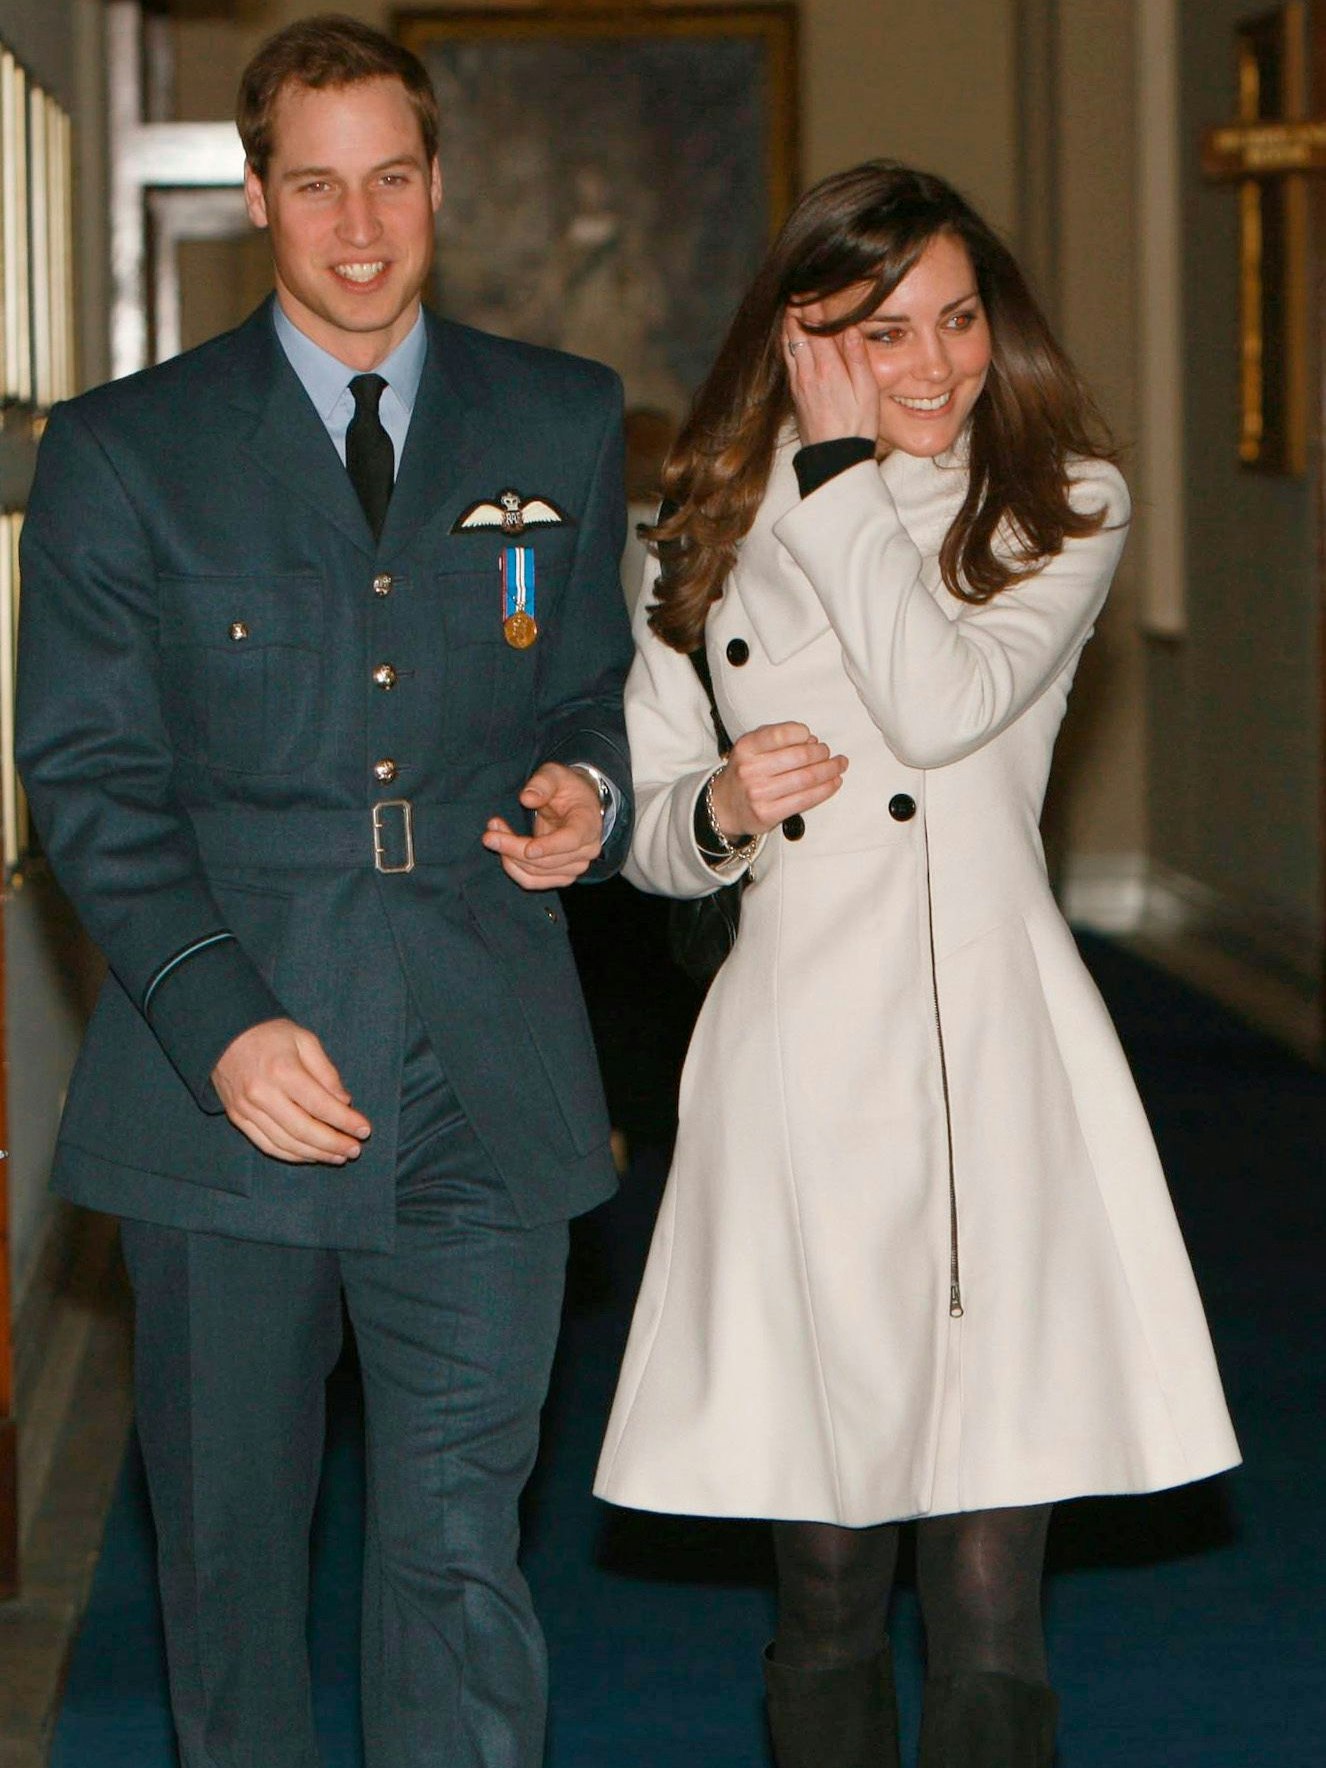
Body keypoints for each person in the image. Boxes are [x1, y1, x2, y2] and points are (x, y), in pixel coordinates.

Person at [17, 16, 631, 1768]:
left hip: (479, 1062)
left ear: (438, 184)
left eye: (390, 180)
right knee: (231, 1575)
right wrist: (220, 1022)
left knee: (456, 1552)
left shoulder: (559, 419)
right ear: (254, 197)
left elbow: (588, 693)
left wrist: (589, 784)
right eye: (314, 186)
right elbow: (90, 781)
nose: (358, 230)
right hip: (226, 1084)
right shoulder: (127, 448)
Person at [594, 161, 1239, 1768]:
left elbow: (942, 703)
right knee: (821, 1574)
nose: (938, 363)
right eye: (885, 332)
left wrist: (831, 472)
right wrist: (719, 808)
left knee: (983, 1576)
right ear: (804, 338)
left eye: (959, 318)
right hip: (799, 1060)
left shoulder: (1062, 503)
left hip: (991, 1065)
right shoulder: (693, 529)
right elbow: (649, 827)